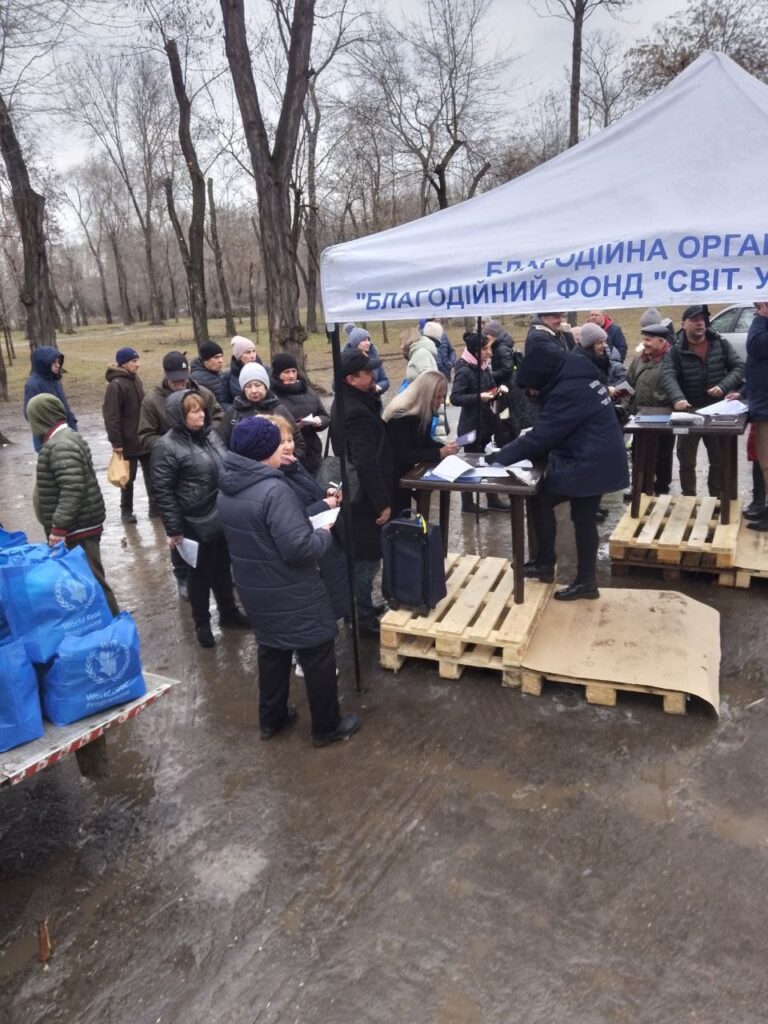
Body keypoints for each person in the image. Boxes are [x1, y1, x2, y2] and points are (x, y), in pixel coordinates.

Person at [217, 415, 361, 747]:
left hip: (255, 588)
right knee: (318, 650)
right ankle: (327, 727)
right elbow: (299, 548)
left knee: (272, 650)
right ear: (264, 450)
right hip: (291, 589)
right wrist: (323, 533)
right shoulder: (274, 490)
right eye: (276, 444)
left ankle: (272, 719)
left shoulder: (228, 485)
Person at [486, 346, 629, 601]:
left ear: (542, 377)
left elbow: (543, 435)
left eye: (532, 389)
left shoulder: (569, 390)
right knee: (545, 500)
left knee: (578, 516)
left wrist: (500, 457)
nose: (531, 394)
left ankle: (584, 582)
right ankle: (546, 563)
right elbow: (559, 428)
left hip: (593, 461)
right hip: (592, 455)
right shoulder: (576, 375)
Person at [150, 390, 249, 648]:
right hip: (194, 520)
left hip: (221, 513)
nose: (201, 415)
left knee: (222, 568)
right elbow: (162, 490)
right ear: (179, 416)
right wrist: (174, 528)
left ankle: (229, 613)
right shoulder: (166, 446)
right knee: (200, 575)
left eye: (201, 409)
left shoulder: (211, 435)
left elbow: (226, 464)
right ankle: (202, 623)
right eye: (193, 411)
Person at [138, 351, 224, 602]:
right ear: (166, 376)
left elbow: (218, 417)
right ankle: (183, 575)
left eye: (183, 379)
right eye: (175, 380)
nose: (181, 384)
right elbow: (144, 435)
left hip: (204, 467)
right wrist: (172, 445)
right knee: (181, 531)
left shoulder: (203, 393)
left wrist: (204, 435)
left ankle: (220, 575)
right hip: (175, 468)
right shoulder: (152, 400)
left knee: (213, 531)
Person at [25, 394, 118, 615]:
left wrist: (59, 528)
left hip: (78, 529)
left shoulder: (60, 445)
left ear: (41, 417)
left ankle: (114, 624)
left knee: (93, 582)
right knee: (85, 582)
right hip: (78, 526)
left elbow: (72, 488)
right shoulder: (64, 439)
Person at [329, 347, 394, 636]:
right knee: (365, 561)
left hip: (357, 493)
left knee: (362, 560)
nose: (373, 374)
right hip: (363, 499)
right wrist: (382, 503)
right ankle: (361, 618)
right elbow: (365, 462)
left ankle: (360, 609)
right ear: (351, 379)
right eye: (367, 372)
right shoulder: (356, 412)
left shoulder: (351, 401)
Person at [272, 414, 351, 625]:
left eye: (289, 440)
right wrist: (325, 504)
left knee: (336, 590)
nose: (287, 446)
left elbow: (310, 490)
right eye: (281, 442)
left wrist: (326, 492)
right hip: (311, 546)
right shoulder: (275, 479)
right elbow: (296, 516)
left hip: (324, 539)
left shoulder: (293, 465)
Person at [659, 304, 745, 496]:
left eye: (702, 319)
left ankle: (716, 499)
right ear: (684, 324)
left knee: (718, 459)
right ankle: (688, 497)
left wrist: (723, 386)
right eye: (695, 320)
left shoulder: (720, 343)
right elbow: (667, 375)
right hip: (688, 412)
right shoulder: (676, 350)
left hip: (716, 411)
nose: (700, 323)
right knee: (686, 460)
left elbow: (739, 367)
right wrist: (678, 398)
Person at [382, 371, 459, 510]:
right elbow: (404, 454)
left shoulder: (423, 410)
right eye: (437, 397)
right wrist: (439, 453)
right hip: (392, 477)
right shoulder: (400, 416)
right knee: (400, 515)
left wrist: (446, 448)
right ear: (426, 395)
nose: (441, 401)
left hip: (405, 473)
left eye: (443, 396)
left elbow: (424, 442)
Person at [449, 331, 508, 513]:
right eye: (485, 349)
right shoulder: (464, 370)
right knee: (470, 465)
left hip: (486, 424)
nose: (489, 353)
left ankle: (492, 498)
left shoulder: (483, 367)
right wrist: (478, 397)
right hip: (471, 427)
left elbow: (489, 387)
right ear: (476, 351)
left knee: (488, 462)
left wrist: (496, 392)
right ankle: (467, 503)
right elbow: (455, 398)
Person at [725, 300, 768, 530]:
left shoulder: (762, 324)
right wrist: (743, 392)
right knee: (763, 461)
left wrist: (762, 317)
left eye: (759, 306)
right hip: (762, 406)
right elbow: (759, 367)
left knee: (767, 462)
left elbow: (756, 346)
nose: (756, 310)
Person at [103, 347, 152, 525]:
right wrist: (116, 442)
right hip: (127, 442)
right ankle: (126, 511)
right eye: (133, 361)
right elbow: (111, 416)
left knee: (152, 476)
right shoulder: (115, 385)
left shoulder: (135, 379)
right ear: (123, 363)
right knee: (127, 479)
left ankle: (156, 508)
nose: (137, 364)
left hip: (143, 438)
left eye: (137, 360)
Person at [624, 323, 675, 496]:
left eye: (648, 340)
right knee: (638, 452)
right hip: (640, 415)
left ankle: (661, 488)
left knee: (662, 454)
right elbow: (629, 382)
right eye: (644, 339)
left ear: (661, 341)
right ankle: (639, 488)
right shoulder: (639, 359)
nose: (644, 343)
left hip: (664, 414)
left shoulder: (672, 359)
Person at [218, 362, 305, 460]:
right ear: (243, 389)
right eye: (248, 386)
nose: (253, 390)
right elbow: (221, 446)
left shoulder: (279, 410)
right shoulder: (233, 413)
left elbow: (299, 443)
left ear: (266, 386)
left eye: (257, 385)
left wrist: (289, 459)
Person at [270, 352, 330, 475]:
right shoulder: (272, 396)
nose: (291, 376)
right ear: (277, 375)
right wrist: (293, 428)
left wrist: (319, 421)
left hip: (313, 453)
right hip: (288, 454)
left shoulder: (308, 391)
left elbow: (325, 416)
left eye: (294, 371)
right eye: (286, 372)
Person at [23, 347, 77, 452]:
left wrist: (72, 423)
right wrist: (49, 432)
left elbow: (63, 406)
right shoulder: (33, 385)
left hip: (66, 432)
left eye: (58, 361)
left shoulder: (55, 380)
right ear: (44, 363)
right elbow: (29, 414)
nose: (58, 365)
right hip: (48, 439)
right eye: (54, 362)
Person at [574, 322, 627, 391]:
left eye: (604, 342)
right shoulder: (579, 365)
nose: (605, 345)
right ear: (589, 345)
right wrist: (607, 391)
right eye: (600, 342)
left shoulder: (601, 360)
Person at [342, 327, 390, 394]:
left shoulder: (374, 359)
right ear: (355, 343)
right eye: (364, 340)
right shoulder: (346, 362)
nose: (368, 343)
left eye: (368, 339)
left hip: (374, 398)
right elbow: (336, 385)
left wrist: (378, 387)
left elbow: (385, 380)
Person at [190, 341, 232, 410]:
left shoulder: (217, 373)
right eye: (216, 357)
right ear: (205, 360)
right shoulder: (199, 379)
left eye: (221, 357)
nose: (221, 360)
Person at [227, 335, 263, 405]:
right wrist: (234, 410)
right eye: (248, 352)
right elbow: (224, 402)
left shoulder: (265, 371)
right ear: (239, 356)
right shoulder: (228, 377)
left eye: (254, 351)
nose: (252, 356)